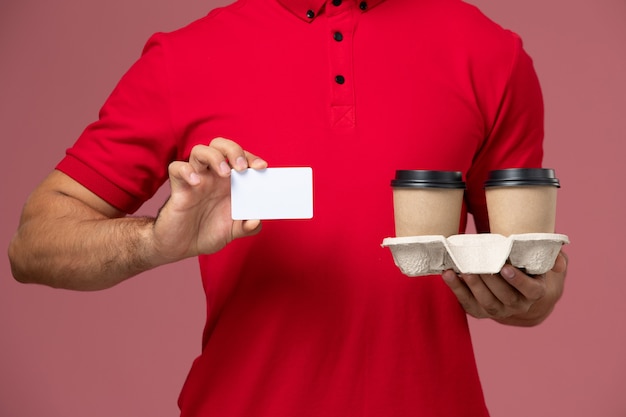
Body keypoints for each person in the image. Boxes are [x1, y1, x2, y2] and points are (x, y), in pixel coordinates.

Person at [8, 0, 568, 415]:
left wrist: (531, 294)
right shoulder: (185, 58)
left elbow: (521, 276)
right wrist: (154, 241)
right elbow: (34, 245)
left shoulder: (492, 53)